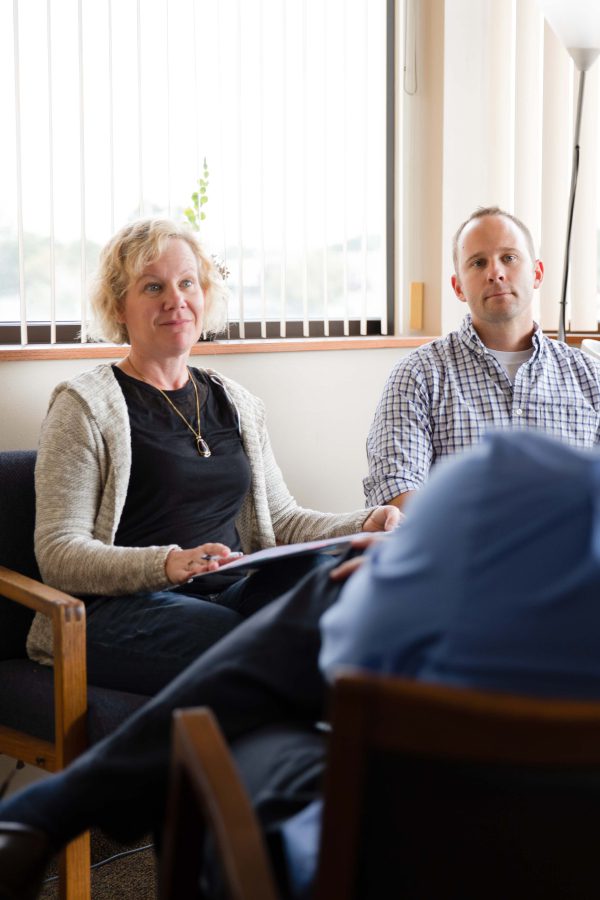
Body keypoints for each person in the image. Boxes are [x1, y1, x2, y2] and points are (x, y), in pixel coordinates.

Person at [2, 428, 600, 900]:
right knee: (315, 590)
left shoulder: (506, 479)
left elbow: (337, 648)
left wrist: (397, 567)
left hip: (382, 861)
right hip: (570, 855)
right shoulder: (87, 403)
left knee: (280, 664)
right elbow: (61, 551)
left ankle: (49, 814)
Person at [26, 217, 398, 695]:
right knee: (248, 645)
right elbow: (59, 554)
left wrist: (363, 523)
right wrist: (167, 564)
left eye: (187, 283)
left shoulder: (237, 403)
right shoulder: (83, 406)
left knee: (334, 580)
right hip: (118, 610)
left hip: (227, 595)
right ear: (119, 305)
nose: (175, 299)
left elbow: (282, 520)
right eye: (153, 287)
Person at [364, 205, 600, 509]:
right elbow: (396, 490)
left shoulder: (590, 377)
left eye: (509, 258)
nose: (495, 273)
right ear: (458, 287)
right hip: (457, 555)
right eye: (477, 263)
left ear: (537, 273)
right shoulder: (417, 375)